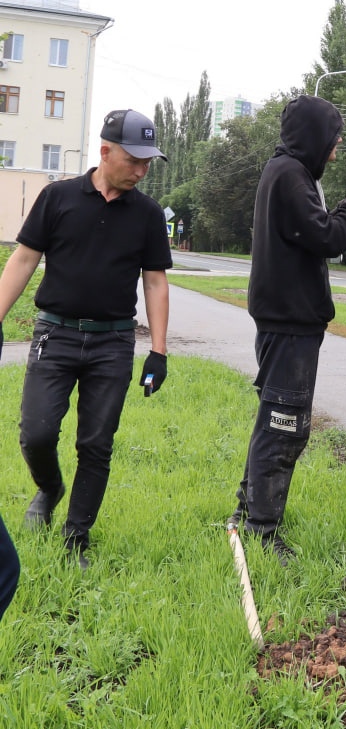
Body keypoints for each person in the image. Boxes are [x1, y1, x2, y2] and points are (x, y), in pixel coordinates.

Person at [0, 109, 171, 570]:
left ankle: (77, 538)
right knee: (36, 433)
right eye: (134, 160)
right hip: (53, 334)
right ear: (105, 151)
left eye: (148, 163)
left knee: (96, 443)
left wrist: (158, 349)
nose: (141, 170)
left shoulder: (148, 215)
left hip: (112, 343)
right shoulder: (57, 198)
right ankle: (50, 488)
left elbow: (154, 282)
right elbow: (23, 260)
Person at [233, 94, 346, 563]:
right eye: (333, 136)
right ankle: (261, 530)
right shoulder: (289, 176)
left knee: (274, 419)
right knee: (285, 426)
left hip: (286, 320)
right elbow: (329, 236)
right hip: (290, 324)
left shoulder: (284, 172)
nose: (337, 146)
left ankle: (248, 511)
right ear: (314, 136)